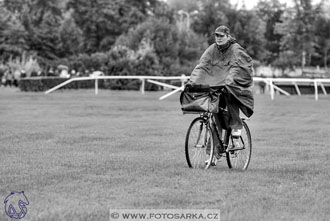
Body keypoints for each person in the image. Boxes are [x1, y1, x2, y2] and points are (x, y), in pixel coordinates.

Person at [188, 25, 254, 138]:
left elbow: (237, 67)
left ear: (228, 36)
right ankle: (215, 145)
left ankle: (236, 126)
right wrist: (192, 82)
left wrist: (229, 81)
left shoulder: (235, 49)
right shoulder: (212, 49)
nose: (218, 38)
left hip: (232, 84)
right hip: (217, 84)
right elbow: (202, 66)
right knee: (213, 108)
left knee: (230, 95)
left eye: (221, 36)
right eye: (216, 35)